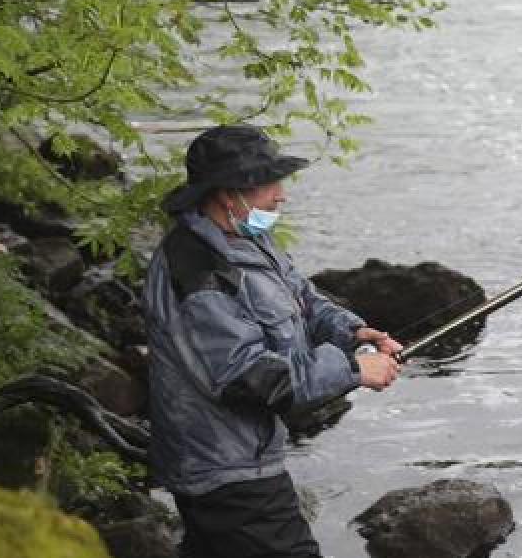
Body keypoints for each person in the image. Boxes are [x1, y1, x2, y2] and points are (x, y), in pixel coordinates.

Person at [143, 124, 403, 558]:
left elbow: (302, 297)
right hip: (226, 473)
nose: (281, 194)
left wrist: (354, 332)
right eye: (270, 183)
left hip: (234, 458)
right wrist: (354, 370)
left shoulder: (247, 239)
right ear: (230, 192)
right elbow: (250, 378)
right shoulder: (198, 271)